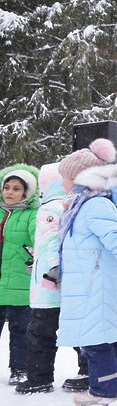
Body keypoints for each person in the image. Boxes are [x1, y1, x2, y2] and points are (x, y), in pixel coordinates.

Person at [56, 138, 117, 405]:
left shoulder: (94, 204)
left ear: (81, 178)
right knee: (108, 335)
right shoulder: (83, 204)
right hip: (90, 280)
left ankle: (103, 390)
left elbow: (115, 238)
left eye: (65, 178)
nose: (62, 183)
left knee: (94, 339)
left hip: (94, 282)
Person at [15, 163, 89, 395]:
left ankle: (39, 377)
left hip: (48, 286)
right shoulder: (69, 205)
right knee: (79, 329)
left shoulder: (49, 209)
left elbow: (51, 244)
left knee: (40, 332)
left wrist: (50, 269)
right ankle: (88, 371)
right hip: (64, 282)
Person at [0, 164, 39, 386]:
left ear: (26, 192)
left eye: (16, 188)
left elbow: (39, 242)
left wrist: (28, 252)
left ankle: (20, 368)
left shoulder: (32, 215)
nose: (10, 192)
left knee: (20, 331)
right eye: (7, 187)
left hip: (20, 282)